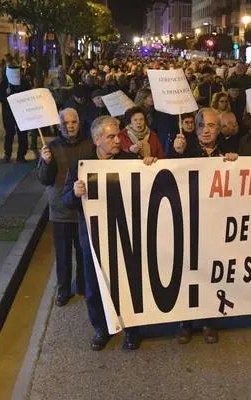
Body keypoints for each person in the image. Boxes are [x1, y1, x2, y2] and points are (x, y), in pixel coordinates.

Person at [63, 115, 157, 351]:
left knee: (129, 283)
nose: (118, 140)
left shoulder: (129, 160)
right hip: (93, 239)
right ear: (97, 140)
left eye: (118, 135)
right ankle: (101, 329)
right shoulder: (80, 165)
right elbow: (66, 201)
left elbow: (146, 192)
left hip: (124, 235)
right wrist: (75, 192)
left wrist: (148, 166)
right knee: (95, 286)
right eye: (111, 136)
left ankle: (133, 330)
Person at [170, 108, 238, 344]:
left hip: (216, 224)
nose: (206, 130)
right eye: (201, 126)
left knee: (211, 274)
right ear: (195, 128)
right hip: (188, 221)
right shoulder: (183, 149)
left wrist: (234, 162)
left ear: (219, 129)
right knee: (187, 272)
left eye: (211, 126)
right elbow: (167, 178)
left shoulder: (230, 152)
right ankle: (185, 322)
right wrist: (176, 154)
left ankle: (208, 321)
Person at [36, 108, 92, 306]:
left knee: (83, 251)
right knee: (62, 254)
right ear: (60, 125)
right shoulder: (50, 147)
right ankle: (63, 290)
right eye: (66, 123)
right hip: (60, 210)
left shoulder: (89, 144)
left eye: (73, 122)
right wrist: (45, 162)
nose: (70, 126)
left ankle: (84, 287)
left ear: (79, 122)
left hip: (83, 209)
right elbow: (44, 179)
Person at [0, 63, 32, 162]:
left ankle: (21, 155)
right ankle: (7, 154)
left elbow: (29, 95)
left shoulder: (24, 82)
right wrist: (6, 94)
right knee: (9, 134)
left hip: (21, 113)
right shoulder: (5, 82)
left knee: (22, 134)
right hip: (8, 114)